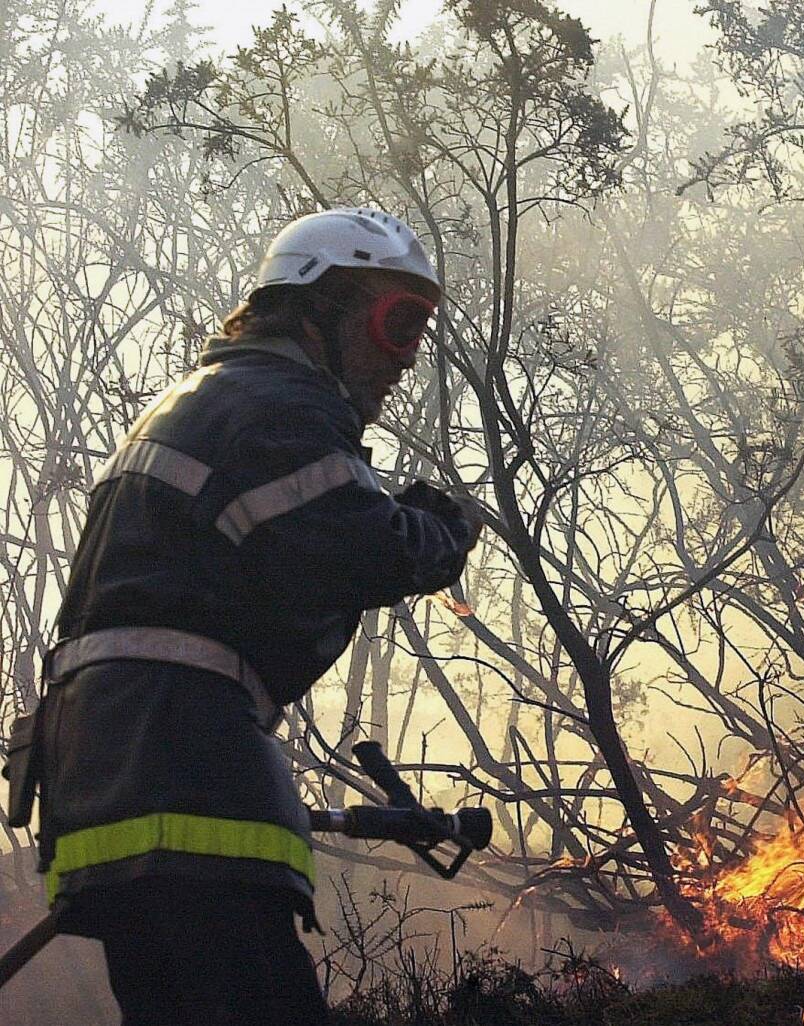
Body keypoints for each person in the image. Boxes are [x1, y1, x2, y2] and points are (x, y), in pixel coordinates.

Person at [27, 207, 480, 1024]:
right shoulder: (279, 405)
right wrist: (442, 531)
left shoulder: (201, 403)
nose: (405, 358)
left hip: (101, 777)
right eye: (396, 323)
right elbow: (359, 549)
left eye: (419, 331)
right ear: (317, 311)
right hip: (182, 765)